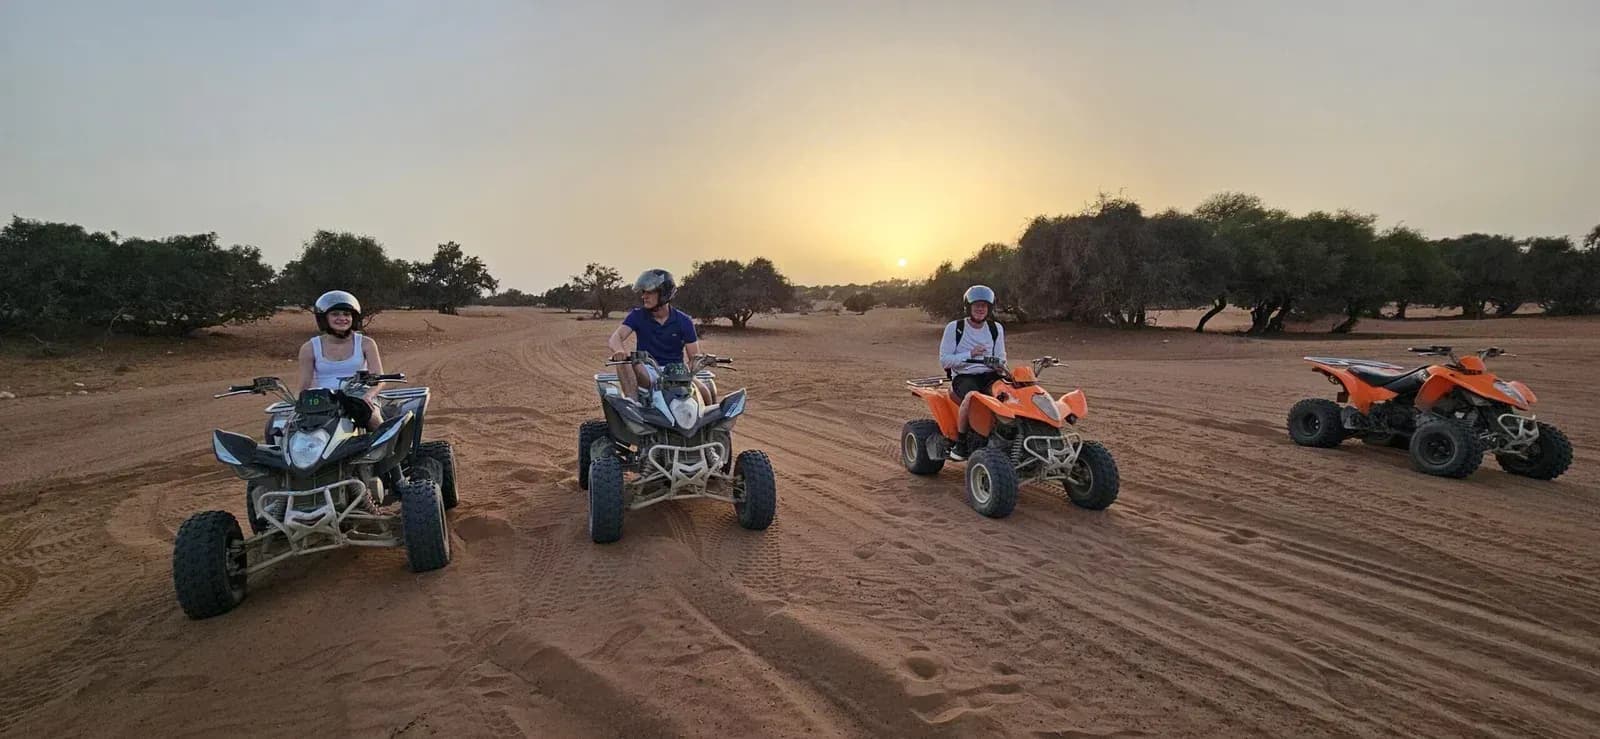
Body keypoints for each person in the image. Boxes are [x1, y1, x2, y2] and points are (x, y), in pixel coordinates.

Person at [606, 269, 713, 404]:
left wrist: (690, 372)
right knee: (625, 362)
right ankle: (632, 405)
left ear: (664, 293)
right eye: (643, 292)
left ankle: (709, 423)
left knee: (704, 392)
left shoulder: (684, 321)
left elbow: (694, 357)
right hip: (648, 370)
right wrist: (619, 351)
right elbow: (616, 337)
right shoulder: (637, 315)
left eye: (649, 292)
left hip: (676, 372)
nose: (644, 296)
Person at [297, 290, 385, 431]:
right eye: (335, 314)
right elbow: (305, 385)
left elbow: (379, 379)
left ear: (353, 317)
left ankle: (389, 451)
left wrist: (368, 396)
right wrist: (300, 405)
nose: (342, 318)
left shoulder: (366, 343)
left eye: (347, 314)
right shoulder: (309, 348)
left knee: (374, 420)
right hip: (324, 399)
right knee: (289, 429)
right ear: (324, 318)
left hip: (359, 397)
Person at [939, 285, 1007, 459]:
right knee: (973, 397)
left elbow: (1001, 356)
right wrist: (970, 354)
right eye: (976, 305)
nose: (980, 309)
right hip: (964, 376)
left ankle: (1010, 436)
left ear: (989, 308)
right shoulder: (955, 328)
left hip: (990, 374)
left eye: (984, 305)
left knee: (1012, 394)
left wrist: (999, 364)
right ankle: (960, 444)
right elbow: (945, 360)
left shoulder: (995, 328)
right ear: (968, 307)